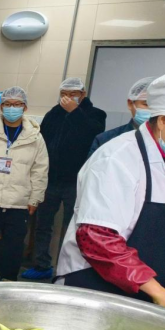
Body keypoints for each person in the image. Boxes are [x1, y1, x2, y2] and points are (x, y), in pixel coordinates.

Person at [56, 71, 165, 315]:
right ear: (164, 120)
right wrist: (159, 293)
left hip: (154, 291)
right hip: (96, 286)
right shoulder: (116, 158)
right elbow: (97, 239)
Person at [23, 77, 106, 280]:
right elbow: (43, 140)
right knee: (43, 225)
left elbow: (92, 133)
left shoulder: (96, 114)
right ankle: (41, 265)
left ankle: (67, 269)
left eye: (72, 94)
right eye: (63, 94)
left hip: (75, 182)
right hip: (51, 179)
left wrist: (75, 112)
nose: (67, 98)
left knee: (72, 227)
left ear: (83, 94)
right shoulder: (54, 113)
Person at [0, 86, 49, 282]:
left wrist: (35, 198)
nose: (12, 108)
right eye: (8, 104)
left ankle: (8, 277)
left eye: (17, 104)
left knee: (14, 245)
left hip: (19, 202)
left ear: (25, 107)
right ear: (1, 107)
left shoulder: (35, 138)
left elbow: (40, 170)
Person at [88, 77, 155, 157]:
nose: (153, 110)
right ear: (130, 104)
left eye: (158, 105)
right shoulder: (106, 140)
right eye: (146, 104)